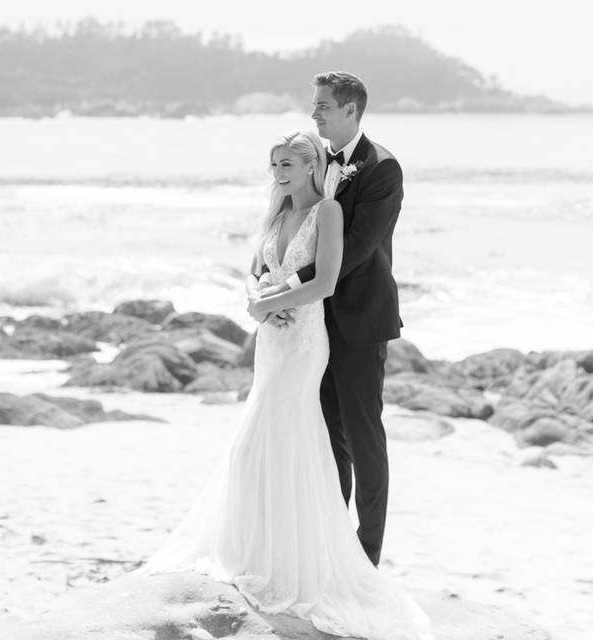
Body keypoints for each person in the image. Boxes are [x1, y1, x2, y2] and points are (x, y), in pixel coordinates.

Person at [140, 128, 431, 640]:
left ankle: (336, 556)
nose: (278, 174)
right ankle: (261, 546)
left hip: (304, 338)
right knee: (263, 436)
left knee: (302, 431)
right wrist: (257, 299)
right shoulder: (275, 213)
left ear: (310, 166)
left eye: (287, 166)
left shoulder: (333, 209)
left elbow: (328, 277)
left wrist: (272, 303)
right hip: (271, 340)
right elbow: (254, 270)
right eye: (273, 165)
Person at [254, 71, 403, 567]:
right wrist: (271, 290)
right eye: (314, 105)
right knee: (326, 437)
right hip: (311, 327)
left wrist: (285, 291)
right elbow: (288, 228)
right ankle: (332, 543)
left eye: (322, 105)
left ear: (351, 111)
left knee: (364, 437)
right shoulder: (314, 163)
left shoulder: (382, 168)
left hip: (359, 320)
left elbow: (356, 250)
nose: (314, 112)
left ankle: (368, 554)